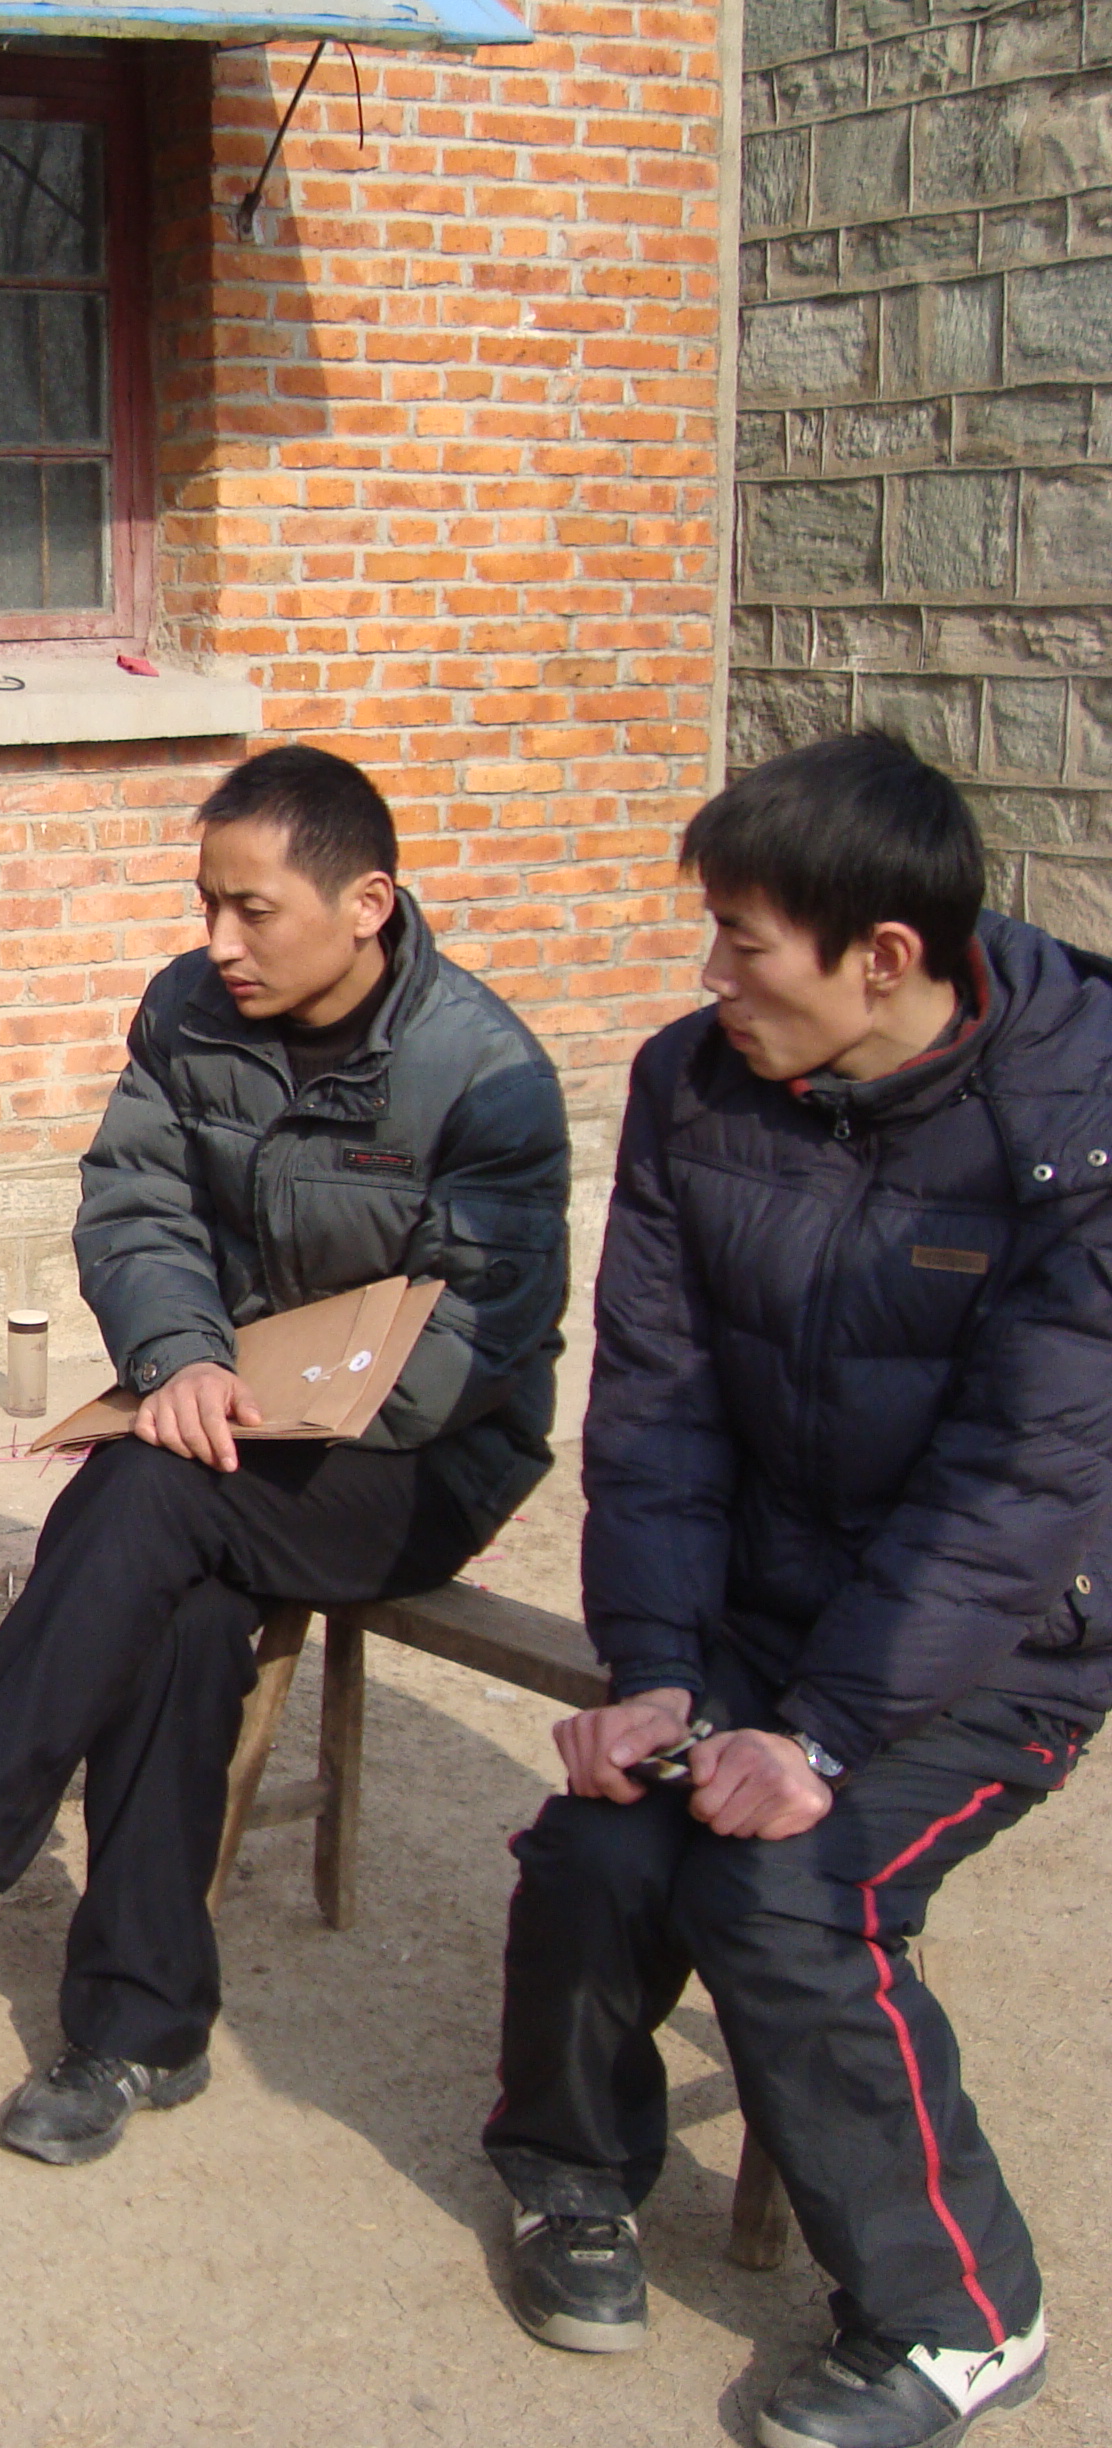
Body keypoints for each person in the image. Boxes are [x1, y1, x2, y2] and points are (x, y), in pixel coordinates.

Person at [0, 743, 572, 2163]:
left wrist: (236, 1407)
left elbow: (469, 1344)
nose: (220, 941)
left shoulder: (485, 1076)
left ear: (368, 903)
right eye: (207, 904)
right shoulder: (188, 1013)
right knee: (181, 1612)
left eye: (254, 910)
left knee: (149, 1489)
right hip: (226, 1432)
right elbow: (137, 1206)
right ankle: (136, 2038)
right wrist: (181, 1356)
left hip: (416, 1462)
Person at [484, 734, 1112, 2448]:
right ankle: (571, 2175)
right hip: (760, 1610)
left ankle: (960, 2319)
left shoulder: (1080, 1130)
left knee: (787, 1890)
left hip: (996, 1645)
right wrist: (660, 1668)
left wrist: (821, 1736)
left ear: (883, 957)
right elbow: (659, 1408)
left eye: (744, 941)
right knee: (608, 1841)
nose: (710, 976)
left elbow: (1025, 1480)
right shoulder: (697, 1088)